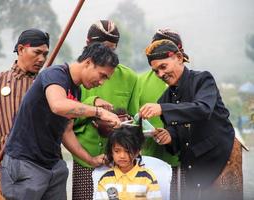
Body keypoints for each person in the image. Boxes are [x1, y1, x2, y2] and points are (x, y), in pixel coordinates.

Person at [0, 43, 121, 200]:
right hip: (26, 162)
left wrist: (90, 160)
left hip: (52, 164)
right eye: (102, 75)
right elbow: (57, 105)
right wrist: (98, 111)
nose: (102, 82)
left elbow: (66, 130)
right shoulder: (55, 75)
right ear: (88, 62)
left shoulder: (75, 90)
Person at [140, 39, 243, 200]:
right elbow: (178, 136)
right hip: (194, 166)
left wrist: (163, 109)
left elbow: (203, 109)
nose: (160, 74)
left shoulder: (203, 80)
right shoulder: (165, 98)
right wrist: (169, 137)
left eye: (163, 67)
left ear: (179, 58)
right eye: (155, 71)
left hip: (222, 157)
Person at [0, 28, 50, 199]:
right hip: (9, 172)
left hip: (45, 171)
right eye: (37, 52)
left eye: (45, 54)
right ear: (21, 49)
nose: (42, 59)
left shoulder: (49, 84)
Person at [72, 20, 138, 199]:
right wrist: (92, 107)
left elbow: (134, 121)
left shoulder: (130, 77)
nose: (105, 54)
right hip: (85, 158)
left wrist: (121, 122)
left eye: (111, 49)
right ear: (87, 45)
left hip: (119, 161)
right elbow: (66, 122)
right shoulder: (75, 78)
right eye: (100, 48)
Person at [137, 28, 190, 200]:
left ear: (179, 54)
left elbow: (201, 111)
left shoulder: (194, 81)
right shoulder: (140, 82)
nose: (161, 73)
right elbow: (135, 118)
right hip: (149, 159)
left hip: (183, 160)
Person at [95, 121, 162, 200]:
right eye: (117, 151)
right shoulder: (105, 179)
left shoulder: (147, 178)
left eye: (127, 151)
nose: (122, 156)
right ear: (111, 152)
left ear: (137, 152)